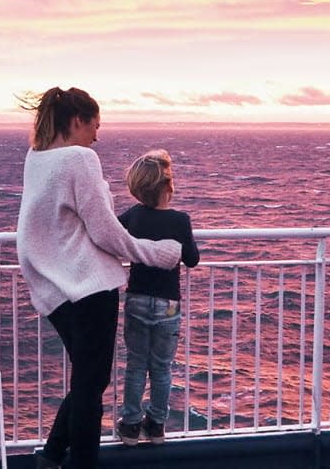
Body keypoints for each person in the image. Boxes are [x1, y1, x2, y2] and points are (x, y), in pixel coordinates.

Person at [16, 87, 183, 469]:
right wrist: (158, 254)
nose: (97, 136)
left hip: (54, 289)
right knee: (91, 389)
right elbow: (106, 231)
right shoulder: (80, 158)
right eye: (95, 125)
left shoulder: (37, 157)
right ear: (77, 121)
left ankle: (52, 456)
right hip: (88, 288)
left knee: (88, 382)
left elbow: (38, 228)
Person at [115, 150, 199, 446]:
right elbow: (192, 260)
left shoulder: (134, 215)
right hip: (168, 305)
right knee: (162, 367)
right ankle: (157, 426)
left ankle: (130, 426)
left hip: (137, 299)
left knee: (136, 364)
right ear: (168, 187)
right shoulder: (180, 220)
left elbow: (111, 231)